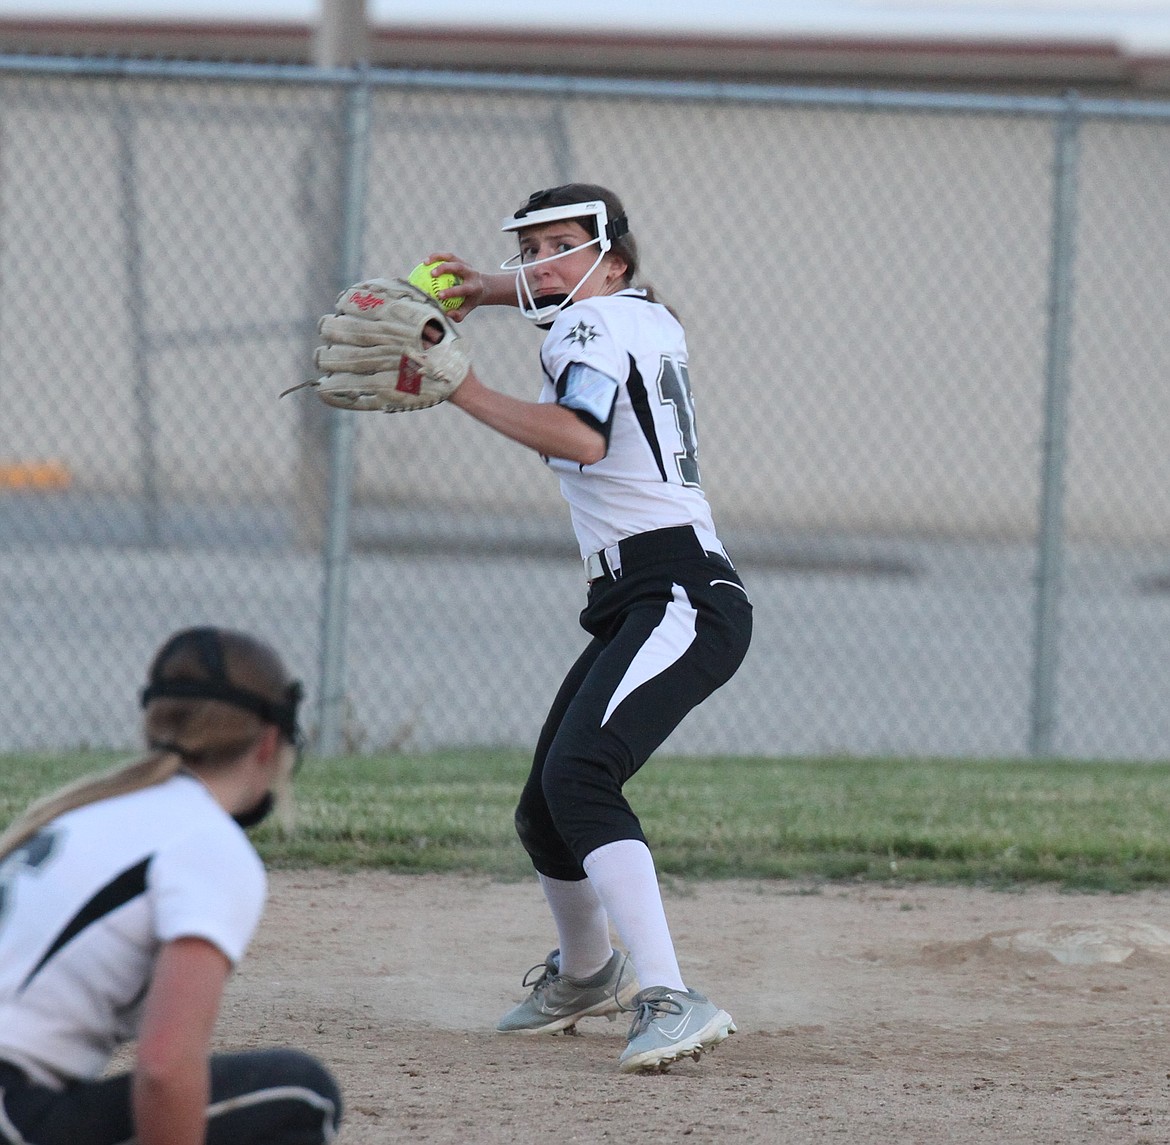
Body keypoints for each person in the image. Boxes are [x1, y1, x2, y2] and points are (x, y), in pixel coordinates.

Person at [423, 183, 753, 1074]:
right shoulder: (644, 317)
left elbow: (581, 436)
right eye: (525, 249)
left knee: (581, 776)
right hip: (645, 592)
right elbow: (588, 314)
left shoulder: (592, 325)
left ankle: (671, 994)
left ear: (615, 258)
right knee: (545, 809)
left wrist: (461, 386)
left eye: (557, 246)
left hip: (677, 588)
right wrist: (494, 289)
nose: (535, 265)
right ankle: (585, 973)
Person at [0, 626, 343, 1144]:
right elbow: (164, 1067)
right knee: (301, 1096)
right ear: (270, 741)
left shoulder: (80, 813)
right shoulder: (206, 841)